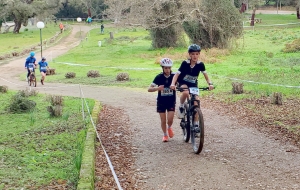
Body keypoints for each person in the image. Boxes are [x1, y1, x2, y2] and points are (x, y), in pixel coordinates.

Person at [170, 44, 214, 128]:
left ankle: (196, 124)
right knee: (186, 92)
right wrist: (172, 84)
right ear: (189, 54)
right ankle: (182, 106)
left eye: (197, 54)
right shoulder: (185, 63)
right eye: (193, 54)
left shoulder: (200, 64)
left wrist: (210, 84)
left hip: (193, 84)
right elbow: (176, 75)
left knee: (196, 101)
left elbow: (206, 76)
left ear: (199, 55)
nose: (195, 56)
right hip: (183, 82)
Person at [148, 58, 176, 142]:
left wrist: (176, 87)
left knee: (170, 119)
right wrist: (157, 88)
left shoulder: (174, 76)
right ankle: (165, 135)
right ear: (162, 68)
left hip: (171, 101)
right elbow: (149, 89)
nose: (167, 70)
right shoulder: (159, 77)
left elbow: (180, 85)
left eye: (169, 68)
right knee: (163, 120)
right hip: (161, 101)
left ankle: (169, 127)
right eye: (165, 68)